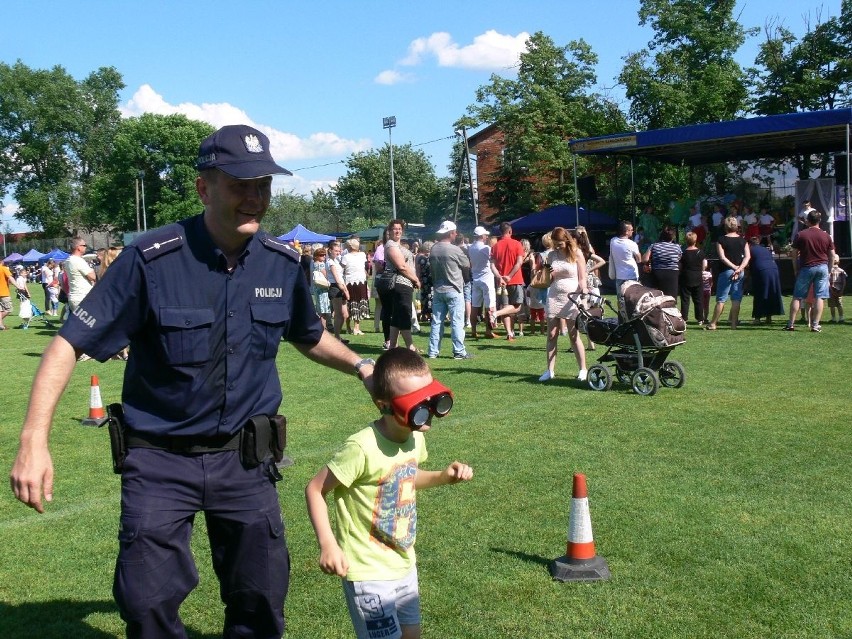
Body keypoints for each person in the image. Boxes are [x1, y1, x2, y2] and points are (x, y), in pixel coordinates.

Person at [9, 124, 379, 638]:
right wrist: (33, 440)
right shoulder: (151, 259)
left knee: (260, 600)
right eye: (240, 185)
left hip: (246, 461)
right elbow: (67, 342)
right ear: (205, 189)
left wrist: (362, 367)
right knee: (148, 604)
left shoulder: (282, 262)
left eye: (263, 185)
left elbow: (308, 334)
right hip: (159, 460)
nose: (255, 198)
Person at [305, 347, 473, 639]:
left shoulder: (414, 437)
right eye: (418, 405)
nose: (430, 411)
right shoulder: (361, 448)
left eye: (432, 399)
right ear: (385, 405)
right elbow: (315, 489)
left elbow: (402, 479)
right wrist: (328, 544)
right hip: (369, 572)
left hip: (404, 563)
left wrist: (443, 477)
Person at [539, 227, 588, 382]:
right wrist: (549, 272)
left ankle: (583, 369)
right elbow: (549, 279)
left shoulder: (577, 253)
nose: (557, 247)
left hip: (571, 297)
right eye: (555, 244)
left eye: (560, 244)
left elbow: (582, 277)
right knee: (552, 334)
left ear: (566, 240)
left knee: (574, 335)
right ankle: (550, 371)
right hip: (554, 295)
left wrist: (583, 289)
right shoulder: (552, 255)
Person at [784, 208, 836, 332]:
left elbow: (794, 253)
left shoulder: (801, 235)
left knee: (797, 296)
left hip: (806, 267)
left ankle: (791, 324)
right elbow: (832, 255)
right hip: (822, 266)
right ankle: (815, 324)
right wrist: (829, 269)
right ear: (819, 220)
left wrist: (795, 268)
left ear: (807, 221)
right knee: (820, 297)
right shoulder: (826, 235)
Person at [427, 221, 472, 360]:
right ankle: (459, 351)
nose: (456, 234)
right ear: (451, 233)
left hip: (438, 289)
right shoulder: (455, 250)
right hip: (454, 288)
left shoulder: (434, 249)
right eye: (455, 232)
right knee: (457, 322)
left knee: (436, 322)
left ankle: (433, 351)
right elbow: (467, 265)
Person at [706, 216, 751, 330]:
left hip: (726, 271)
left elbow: (722, 257)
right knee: (736, 299)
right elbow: (747, 257)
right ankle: (734, 324)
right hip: (740, 271)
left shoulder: (721, 240)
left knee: (721, 299)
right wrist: (739, 268)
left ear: (725, 227)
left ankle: (713, 323)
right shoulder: (743, 240)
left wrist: (734, 267)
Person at [383, 219, 421, 351]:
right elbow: (401, 266)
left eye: (400, 229)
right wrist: (416, 279)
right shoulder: (391, 245)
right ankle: (410, 346)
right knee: (405, 313)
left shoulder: (398, 245)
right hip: (400, 283)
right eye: (395, 229)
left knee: (398, 315)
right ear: (389, 231)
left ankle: (392, 346)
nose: (398, 231)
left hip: (405, 283)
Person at [491, 222, 525, 340]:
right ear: (510, 231)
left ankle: (509, 333)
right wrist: (509, 276)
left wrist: (499, 277)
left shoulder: (495, 246)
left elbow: (492, 265)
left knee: (505, 306)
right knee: (517, 306)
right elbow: (519, 262)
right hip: (515, 279)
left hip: (501, 282)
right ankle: (496, 314)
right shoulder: (517, 244)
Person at [574, 226, 606, 350]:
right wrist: (590, 270)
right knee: (588, 312)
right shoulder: (588, 249)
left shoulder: (576, 251)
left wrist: (586, 271)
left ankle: (578, 342)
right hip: (590, 283)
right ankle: (590, 342)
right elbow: (602, 261)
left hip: (580, 282)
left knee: (578, 313)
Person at [468, 226, 498, 339]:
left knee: (475, 306)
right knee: (489, 306)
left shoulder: (471, 247)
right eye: (485, 235)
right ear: (482, 236)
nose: (486, 237)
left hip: (476, 278)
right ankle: (488, 330)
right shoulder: (487, 248)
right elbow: (493, 261)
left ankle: (474, 330)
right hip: (487, 278)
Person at [642, 227, 682, 298]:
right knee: (671, 298)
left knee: (657, 298)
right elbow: (679, 259)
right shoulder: (677, 247)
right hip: (672, 274)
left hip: (657, 273)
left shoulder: (654, 245)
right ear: (673, 237)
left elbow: (645, 259)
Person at [341, 238, 369, 336]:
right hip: (355, 281)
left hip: (355, 281)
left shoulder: (347, 257)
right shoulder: (361, 255)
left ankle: (354, 327)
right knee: (356, 303)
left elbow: (342, 268)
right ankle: (353, 327)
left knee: (354, 303)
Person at [678, 232, 707, 324]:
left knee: (685, 299)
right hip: (697, 276)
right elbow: (705, 264)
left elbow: (680, 266)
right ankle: (700, 318)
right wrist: (702, 271)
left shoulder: (683, 253)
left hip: (686, 276)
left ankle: (684, 318)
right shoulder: (700, 252)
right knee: (698, 298)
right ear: (695, 240)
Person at [64, 237, 96, 315]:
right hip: (82, 297)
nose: (86, 247)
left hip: (75, 296)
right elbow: (93, 277)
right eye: (84, 245)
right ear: (78, 247)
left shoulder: (68, 260)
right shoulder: (78, 260)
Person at [609, 220, 641, 298]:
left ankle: (621, 311)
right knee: (632, 299)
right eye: (631, 230)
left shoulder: (613, 241)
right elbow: (639, 259)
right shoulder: (632, 244)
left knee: (621, 300)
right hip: (631, 275)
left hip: (619, 276)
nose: (633, 231)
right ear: (626, 232)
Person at [327, 240, 350, 343]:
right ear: (330, 250)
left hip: (342, 286)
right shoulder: (330, 262)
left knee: (345, 314)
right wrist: (345, 291)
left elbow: (341, 277)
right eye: (336, 250)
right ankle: (336, 337)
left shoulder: (337, 260)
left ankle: (338, 336)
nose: (338, 252)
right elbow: (337, 279)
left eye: (339, 250)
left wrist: (345, 289)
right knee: (338, 314)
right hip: (335, 288)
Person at [828, 254, 846, 323]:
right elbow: (844, 282)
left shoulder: (829, 271)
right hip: (839, 290)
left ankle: (833, 318)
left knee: (832, 306)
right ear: (839, 262)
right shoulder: (842, 271)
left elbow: (828, 281)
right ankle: (841, 318)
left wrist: (831, 290)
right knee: (839, 305)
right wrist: (842, 290)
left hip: (831, 290)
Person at [0, 261, 16, 330]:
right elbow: (11, 278)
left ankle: (1, 326)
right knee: (8, 309)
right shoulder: (4, 268)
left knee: (0, 310)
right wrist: (18, 286)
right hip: (4, 293)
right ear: (1, 262)